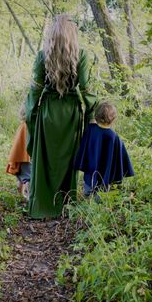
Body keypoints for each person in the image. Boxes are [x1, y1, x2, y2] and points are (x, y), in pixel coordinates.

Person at [25, 14, 98, 218]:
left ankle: (43, 206)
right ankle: (66, 205)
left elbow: (34, 91)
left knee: (45, 161)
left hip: (47, 115)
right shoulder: (81, 55)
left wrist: (30, 115)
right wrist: (93, 114)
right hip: (71, 115)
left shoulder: (42, 56)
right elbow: (86, 89)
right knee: (68, 160)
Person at [74, 101, 134, 197]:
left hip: (90, 174)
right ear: (113, 119)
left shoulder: (91, 129)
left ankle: (84, 208)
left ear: (96, 116)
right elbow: (120, 157)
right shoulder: (114, 137)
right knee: (100, 197)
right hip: (105, 176)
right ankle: (97, 209)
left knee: (87, 193)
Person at [6, 105, 31, 200]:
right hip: (24, 157)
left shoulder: (23, 125)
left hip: (22, 156)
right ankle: (28, 199)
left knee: (23, 177)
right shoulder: (25, 126)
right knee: (27, 178)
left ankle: (21, 197)